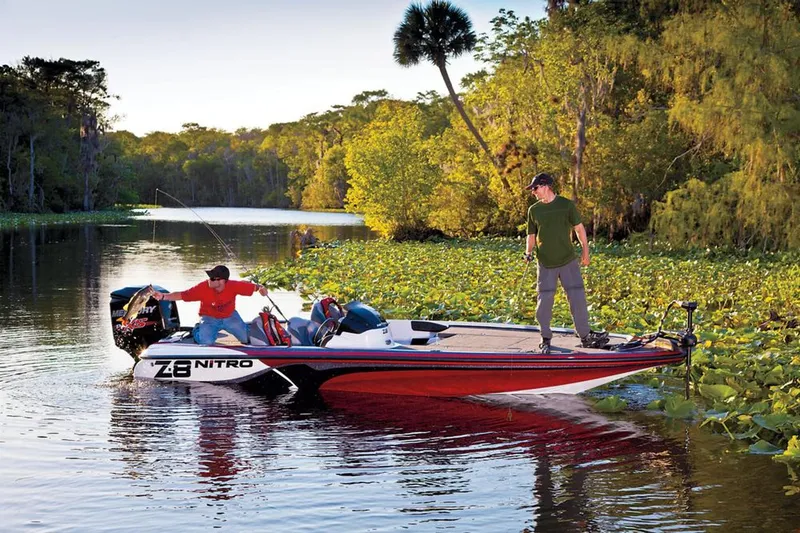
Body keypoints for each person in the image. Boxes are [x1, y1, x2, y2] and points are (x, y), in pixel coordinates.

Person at [523, 172, 608, 354]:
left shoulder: (566, 205)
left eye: (535, 188)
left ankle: (585, 337)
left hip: (568, 261)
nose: (533, 193)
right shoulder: (534, 210)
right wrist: (528, 252)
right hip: (545, 263)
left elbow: (579, 229)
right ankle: (545, 338)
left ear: (545, 186)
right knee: (543, 303)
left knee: (577, 299)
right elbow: (531, 235)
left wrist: (585, 251)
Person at [153, 265, 268, 345]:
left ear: (223, 281)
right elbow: (183, 295)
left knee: (246, 339)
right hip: (209, 318)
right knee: (206, 342)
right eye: (209, 277)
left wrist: (262, 289)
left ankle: (248, 327)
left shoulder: (234, 285)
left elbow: (257, 287)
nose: (209, 280)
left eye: (213, 278)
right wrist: (163, 296)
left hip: (230, 316)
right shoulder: (202, 287)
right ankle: (197, 329)